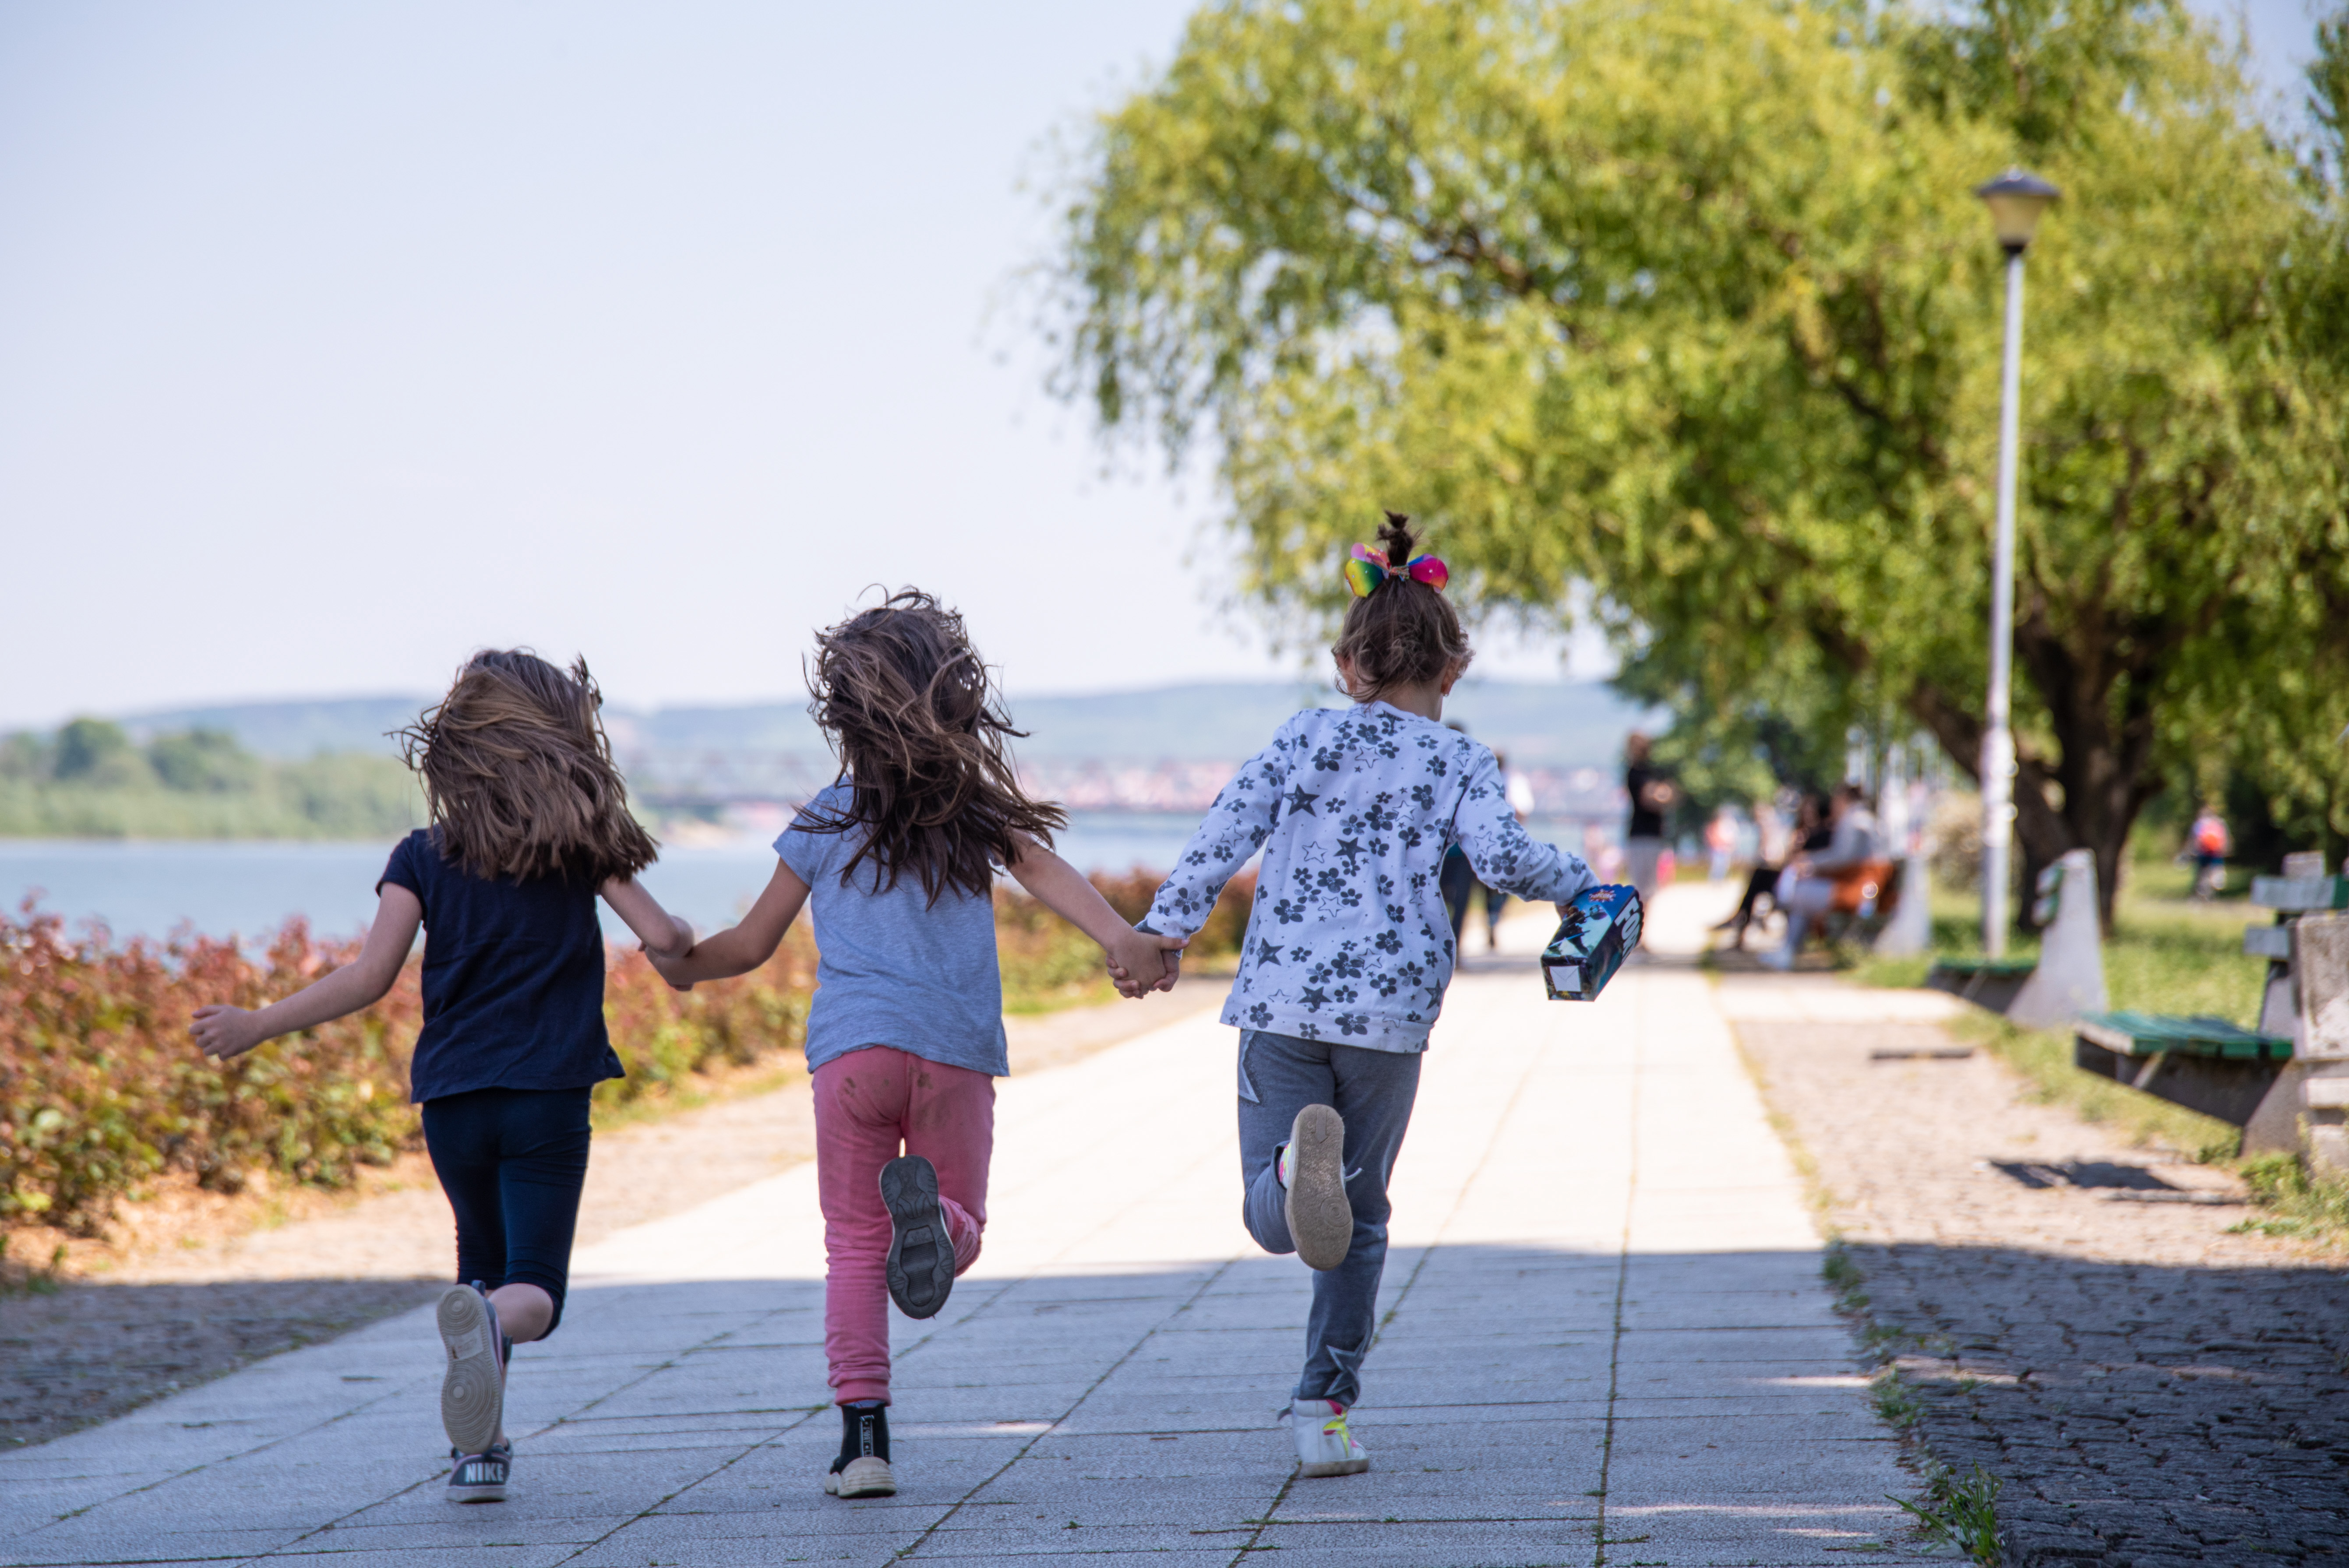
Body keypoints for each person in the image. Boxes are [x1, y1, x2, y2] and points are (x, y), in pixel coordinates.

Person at [644, 591, 1182, 1502]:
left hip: (853, 1058)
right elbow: (1045, 867)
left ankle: (863, 1443)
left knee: (853, 1244)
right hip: (956, 1054)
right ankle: (940, 1225)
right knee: (955, 1218)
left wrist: (684, 966)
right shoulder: (971, 805)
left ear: (843, 711)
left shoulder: (823, 816)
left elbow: (751, 942)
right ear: (952, 695)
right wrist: (1121, 935)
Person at [1136, 514, 1594, 1481]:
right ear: (1453, 670)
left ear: (1348, 666)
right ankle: (1325, 1409)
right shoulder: (1461, 760)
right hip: (1388, 1016)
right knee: (1363, 1214)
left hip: (1283, 1006)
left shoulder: (1302, 737)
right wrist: (1580, 883)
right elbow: (1506, 859)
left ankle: (1290, 1169)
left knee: (1280, 1211)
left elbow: (1224, 834)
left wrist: (1164, 930)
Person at [190, 651, 694, 1505]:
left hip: (454, 1103)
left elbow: (368, 975)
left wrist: (256, 1023)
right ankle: (490, 1334)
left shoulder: (423, 853)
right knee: (531, 1286)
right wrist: (679, 933)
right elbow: (666, 938)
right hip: (545, 1093)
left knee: (478, 1261)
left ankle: (481, 1449)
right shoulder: (581, 848)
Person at [1760, 783, 1883, 970]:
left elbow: (1841, 857)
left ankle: (1787, 952)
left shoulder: (1853, 821)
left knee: (1799, 894)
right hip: (1862, 887)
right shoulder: (1863, 819)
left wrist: (1810, 862)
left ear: (1843, 800)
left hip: (1856, 891)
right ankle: (1787, 951)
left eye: (1835, 801)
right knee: (1802, 894)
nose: (1833, 806)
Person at [1712, 791, 1827, 950]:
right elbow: (1789, 858)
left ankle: (1741, 919)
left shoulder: (1821, 833)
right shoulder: (1800, 831)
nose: (1808, 814)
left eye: (1811, 810)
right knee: (1760, 874)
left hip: (1805, 879)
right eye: (1806, 810)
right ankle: (1742, 919)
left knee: (1760, 877)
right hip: (1793, 876)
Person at [1481, 750, 1538, 950]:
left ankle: (1491, 920)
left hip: (1487, 841)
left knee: (1489, 887)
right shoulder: (1514, 780)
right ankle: (1493, 919)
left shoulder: (1485, 780)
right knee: (1504, 886)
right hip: (1506, 841)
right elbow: (1524, 810)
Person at [1622, 733, 1677, 905]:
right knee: (1641, 887)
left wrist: (1661, 794)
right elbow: (1651, 799)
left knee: (1648, 887)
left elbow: (1671, 795)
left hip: (1649, 834)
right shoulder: (1636, 774)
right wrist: (1662, 794)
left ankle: (1643, 928)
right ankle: (1639, 929)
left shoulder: (1650, 773)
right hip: (1641, 834)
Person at [2187, 805, 2231, 901]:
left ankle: (2203, 892)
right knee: (2216, 872)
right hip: (2217, 852)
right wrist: (2226, 849)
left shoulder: (2200, 823)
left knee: (2203, 874)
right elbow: (2224, 838)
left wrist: (2192, 850)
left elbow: (2195, 839)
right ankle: (2212, 889)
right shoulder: (2219, 823)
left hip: (2203, 852)